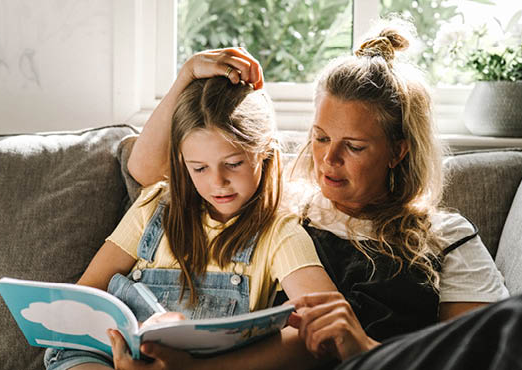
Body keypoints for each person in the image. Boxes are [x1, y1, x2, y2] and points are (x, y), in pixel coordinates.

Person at [109, 19, 512, 369]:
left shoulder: (446, 238)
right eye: (320, 138)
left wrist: (364, 350)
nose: (328, 160)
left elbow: (483, 357)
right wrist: (186, 78)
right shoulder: (279, 202)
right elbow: (146, 171)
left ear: (398, 150)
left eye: (353, 146)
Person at [44, 71, 338, 369]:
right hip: (105, 354)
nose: (218, 181)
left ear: (264, 154)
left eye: (233, 164)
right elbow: (89, 290)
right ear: (183, 163)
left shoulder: (279, 233)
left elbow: (327, 326)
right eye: (199, 169)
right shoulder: (154, 207)